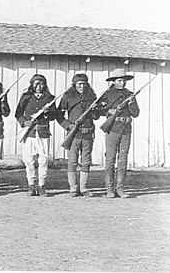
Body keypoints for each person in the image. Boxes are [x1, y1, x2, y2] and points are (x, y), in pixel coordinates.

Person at [96, 69, 140, 198]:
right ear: (114, 81)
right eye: (120, 80)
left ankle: (120, 188)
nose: (123, 83)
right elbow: (99, 111)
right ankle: (109, 189)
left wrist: (131, 103)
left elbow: (136, 114)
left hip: (126, 129)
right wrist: (114, 110)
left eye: (124, 80)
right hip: (113, 128)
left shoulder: (130, 95)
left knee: (123, 159)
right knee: (110, 159)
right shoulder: (107, 94)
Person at [57, 73, 102, 197]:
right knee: (72, 161)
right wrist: (68, 125)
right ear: (74, 85)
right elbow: (59, 115)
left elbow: (97, 116)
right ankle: (73, 188)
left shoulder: (92, 97)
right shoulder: (67, 97)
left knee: (86, 161)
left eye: (84, 84)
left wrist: (95, 109)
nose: (82, 86)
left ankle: (83, 188)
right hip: (74, 134)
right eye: (79, 84)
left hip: (87, 133)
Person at [15, 74, 58, 197]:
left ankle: (42, 186)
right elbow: (18, 114)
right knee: (29, 160)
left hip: (43, 133)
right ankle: (31, 186)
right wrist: (24, 122)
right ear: (32, 85)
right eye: (36, 84)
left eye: (41, 84)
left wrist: (46, 113)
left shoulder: (50, 98)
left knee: (43, 160)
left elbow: (54, 116)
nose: (39, 86)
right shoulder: (26, 97)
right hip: (29, 133)